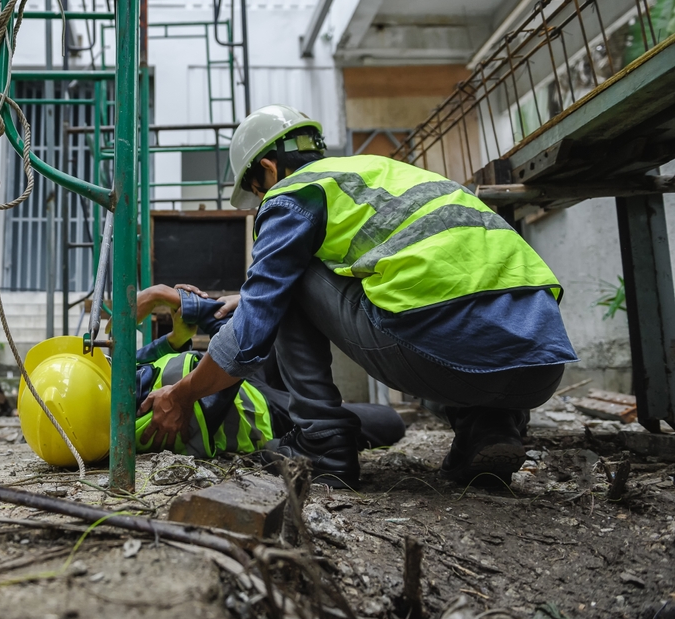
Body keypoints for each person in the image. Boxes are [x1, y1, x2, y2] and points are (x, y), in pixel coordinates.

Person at [137, 104, 577, 488]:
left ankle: (323, 444)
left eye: (256, 194)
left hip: (448, 354)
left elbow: (251, 336)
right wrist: (245, 297)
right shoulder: (381, 175)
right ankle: (491, 427)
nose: (260, 205)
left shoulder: (291, 193)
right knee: (452, 308)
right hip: (539, 364)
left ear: (267, 171)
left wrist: (180, 396)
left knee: (290, 277)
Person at [132, 285, 405, 463]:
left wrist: (177, 336)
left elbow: (142, 360)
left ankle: (315, 401)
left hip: (242, 378)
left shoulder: (120, 378)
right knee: (389, 421)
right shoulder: (151, 410)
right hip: (263, 411)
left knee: (286, 299)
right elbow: (235, 345)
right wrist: (173, 298)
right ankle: (316, 410)